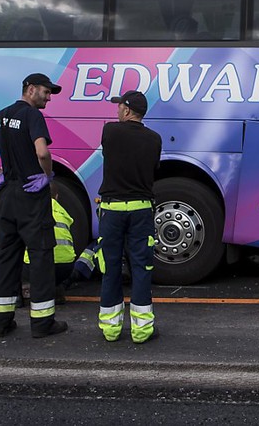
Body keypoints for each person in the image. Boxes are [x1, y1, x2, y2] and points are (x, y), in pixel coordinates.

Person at [0, 72, 68, 338]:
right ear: (30, 89)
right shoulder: (32, 115)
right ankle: (43, 324)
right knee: (41, 257)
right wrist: (47, 178)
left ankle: (0, 323)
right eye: (46, 92)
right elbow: (42, 152)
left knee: (6, 259)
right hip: (31, 197)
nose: (48, 97)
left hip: (8, 197)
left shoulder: (1, 115)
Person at [97, 90, 162, 343]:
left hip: (112, 210)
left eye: (118, 107)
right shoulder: (154, 139)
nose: (116, 111)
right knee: (142, 268)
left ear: (126, 110)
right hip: (141, 209)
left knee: (110, 266)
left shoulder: (110, 131)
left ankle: (111, 330)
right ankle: (142, 331)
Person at [22, 185, 77, 303]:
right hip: (65, 268)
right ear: (56, 197)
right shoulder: (64, 213)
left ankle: (15, 296)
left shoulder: (31, 210)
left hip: (39, 268)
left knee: (11, 252)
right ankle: (57, 289)